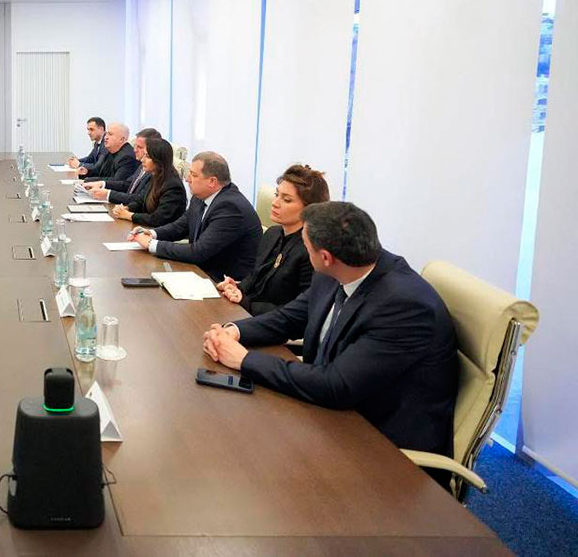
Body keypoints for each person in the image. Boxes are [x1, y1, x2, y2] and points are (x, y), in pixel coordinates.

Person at [202, 202, 459, 474]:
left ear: (325, 257)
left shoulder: (404, 306)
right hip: (332, 410)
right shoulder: (340, 269)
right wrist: (235, 331)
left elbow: (336, 384)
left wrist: (244, 359)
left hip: (381, 446)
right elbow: (291, 317)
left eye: (306, 246)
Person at [217, 164, 329, 316]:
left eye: (286, 200)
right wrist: (237, 287)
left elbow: (301, 310)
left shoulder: (311, 251)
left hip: (275, 323)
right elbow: (255, 276)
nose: (275, 203)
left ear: (309, 209)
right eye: (277, 195)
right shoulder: (272, 233)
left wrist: (247, 303)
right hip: (248, 313)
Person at [131, 151, 260, 281]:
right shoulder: (200, 196)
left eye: (193, 175)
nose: (187, 179)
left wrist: (151, 244)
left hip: (222, 282)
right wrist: (152, 233)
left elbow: (199, 252)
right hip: (200, 271)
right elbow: (181, 226)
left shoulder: (230, 208)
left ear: (212, 181)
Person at [108, 137, 187, 227]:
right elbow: (140, 201)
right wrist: (126, 208)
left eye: (148, 157)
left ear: (159, 160)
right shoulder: (155, 176)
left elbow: (158, 219)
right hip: (148, 228)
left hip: (162, 232)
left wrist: (129, 215)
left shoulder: (173, 186)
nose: (142, 160)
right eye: (144, 155)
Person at [83, 127, 162, 209]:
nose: (135, 150)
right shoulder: (142, 165)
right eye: (135, 146)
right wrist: (102, 184)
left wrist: (108, 194)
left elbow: (139, 199)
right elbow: (127, 184)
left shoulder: (154, 171)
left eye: (140, 147)